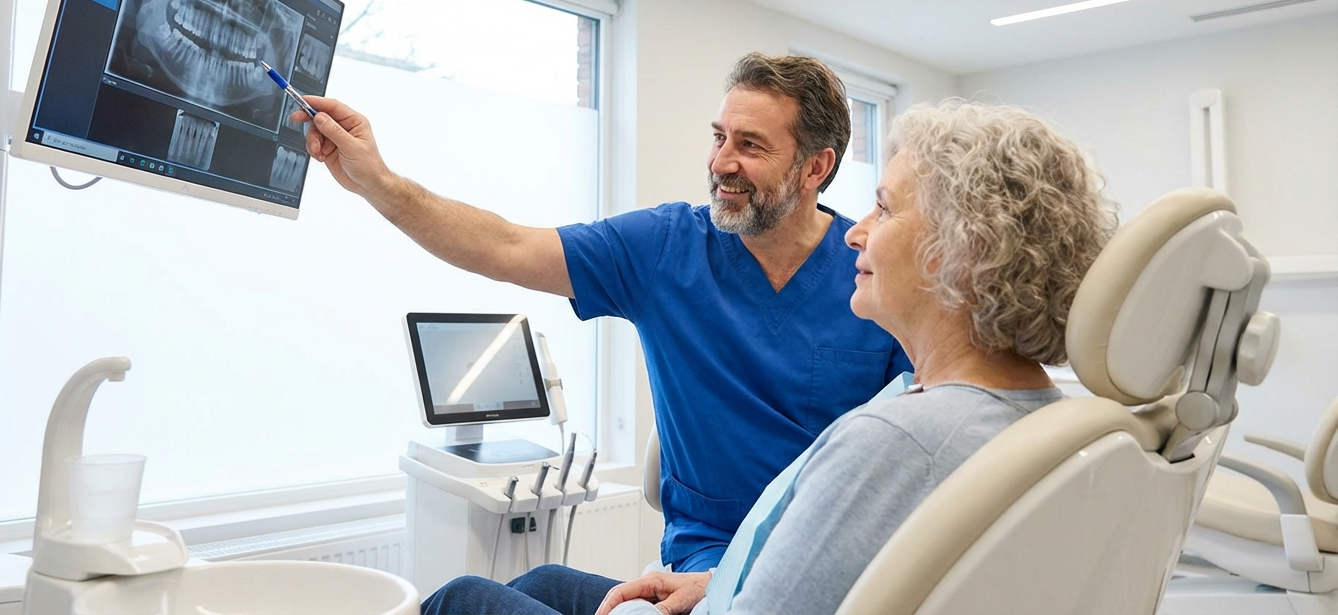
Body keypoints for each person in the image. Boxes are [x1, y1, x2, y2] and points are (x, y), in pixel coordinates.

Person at [416, 99, 1118, 614]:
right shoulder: (1051, 421)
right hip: (730, 576)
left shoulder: (892, 437)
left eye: (884, 208)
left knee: (461, 600)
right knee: (541, 586)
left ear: (961, 252)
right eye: (719, 136)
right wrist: (717, 581)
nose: (857, 234)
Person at [295, 53, 909, 572]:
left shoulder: (871, 271)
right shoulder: (666, 248)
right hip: (709, 556)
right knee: (478, 594)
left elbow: (915, 452)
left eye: (750, 145)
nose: (722, 162)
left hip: (824, 564)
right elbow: (506, 245)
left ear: (815, 167)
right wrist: (378, 181)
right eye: (718, 137)